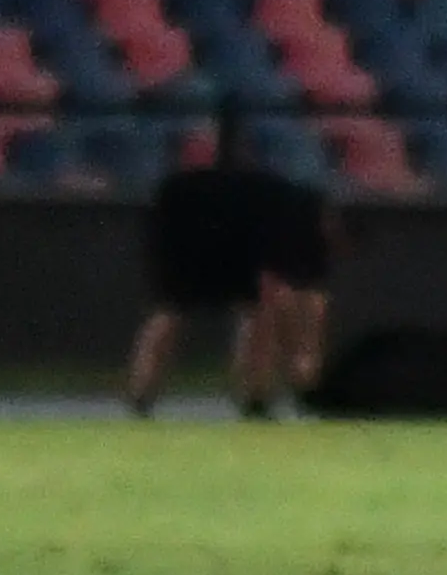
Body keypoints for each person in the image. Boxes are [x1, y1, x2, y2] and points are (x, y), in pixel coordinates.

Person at [128, 156, 335, 418]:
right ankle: (255, 398)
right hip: (201, 223)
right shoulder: (299, 211)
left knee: (174, 310)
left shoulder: (289, 201)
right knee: (254, 311)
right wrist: (302, 365)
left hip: (198, 219)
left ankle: (142, 397)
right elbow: (287, 294)